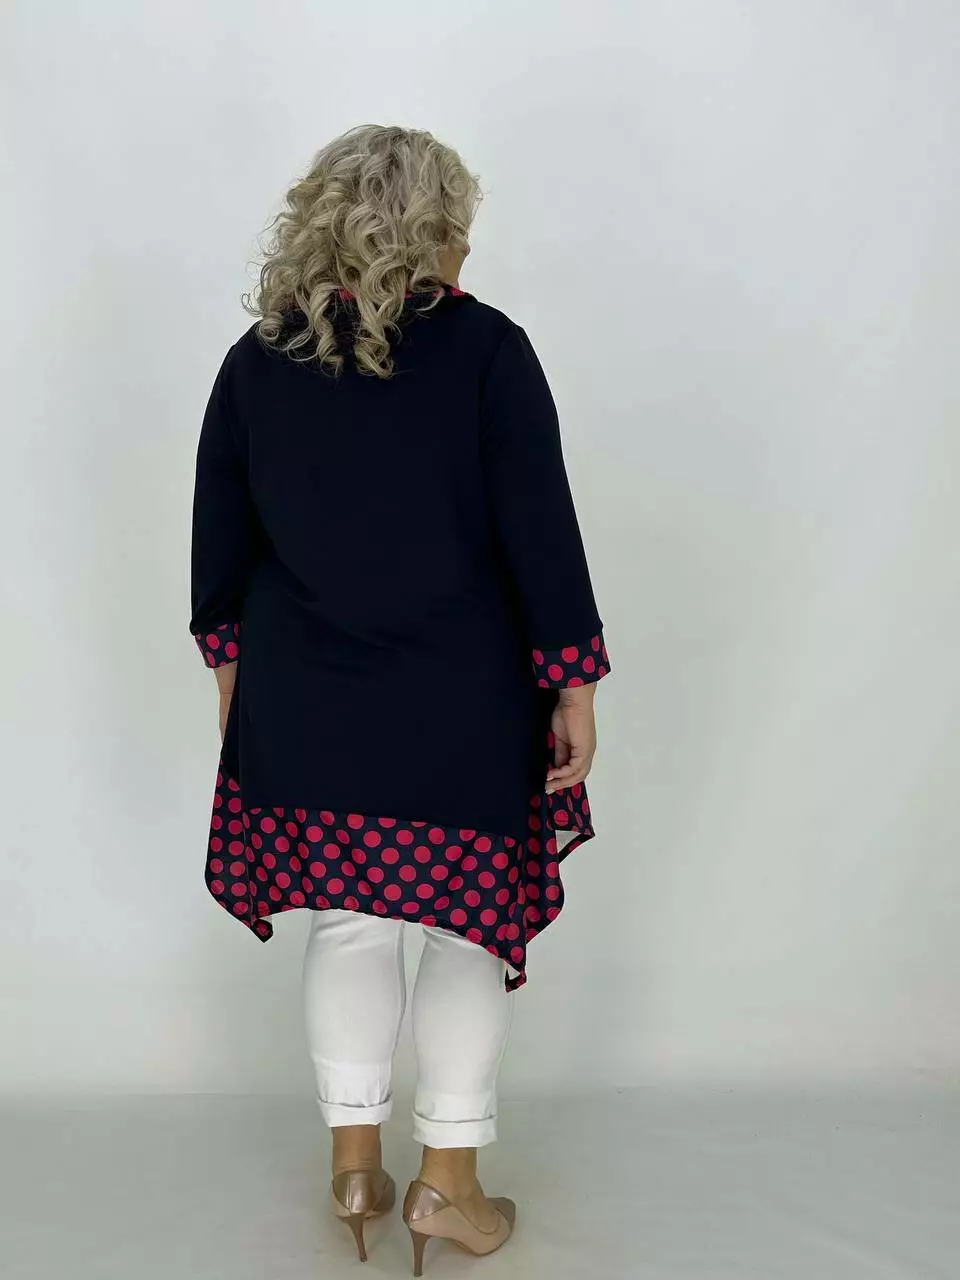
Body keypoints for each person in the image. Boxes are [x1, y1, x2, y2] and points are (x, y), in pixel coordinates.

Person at [189, 123, 610, 1275]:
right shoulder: (488, 351)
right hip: (462, 696)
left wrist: (234, 678)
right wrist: (572, 680)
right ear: (437, 232)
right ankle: (448, 1187)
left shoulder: (257, 358)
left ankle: (355, 1171)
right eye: (460, 225)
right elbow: (541, 534)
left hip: (303, 692)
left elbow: (221, 543)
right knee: (466, 931)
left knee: (347, 918)